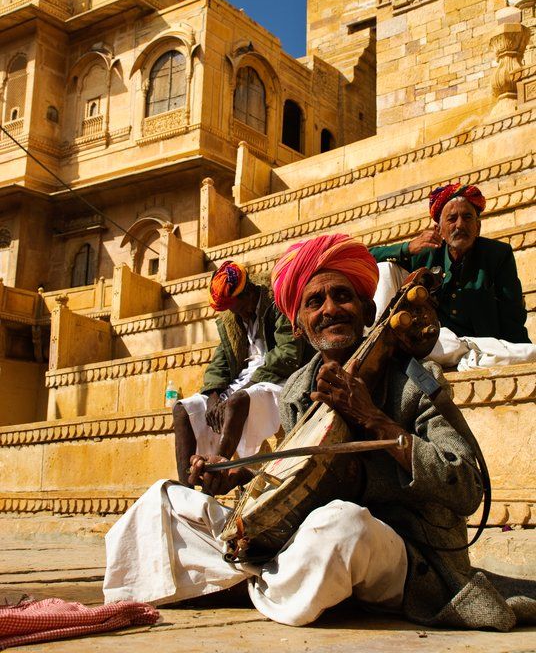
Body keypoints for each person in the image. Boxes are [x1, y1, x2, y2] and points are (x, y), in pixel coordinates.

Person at [103, 233, 536, 630]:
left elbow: (467, 487)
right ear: (297, 325)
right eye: (314, 302)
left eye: (342, 296)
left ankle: (246, 583)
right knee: (164, 500)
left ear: (367, 310)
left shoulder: (416, 379)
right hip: (304, 542)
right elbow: (302, 478)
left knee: (340, 525)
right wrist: (241, 475)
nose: (329, 309)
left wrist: (373, 418)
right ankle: (283, 583)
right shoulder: (296, 390)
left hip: (403, 554)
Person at [370, 183, 536, 369]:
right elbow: (366, 257)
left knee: (530, 354)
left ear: (478, 226)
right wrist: (407, 248)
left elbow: (511, 313)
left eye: (467, 217)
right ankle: (378, 342)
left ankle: (467, 355)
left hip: (483, 345)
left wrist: (520, 355)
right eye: (452, 218)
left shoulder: (497, 255)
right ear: (439, 229)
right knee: (386, 268)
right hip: (436, 342)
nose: (460, 225)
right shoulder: (425, 253)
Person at [172, 260, 310, 483]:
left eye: (241, 308)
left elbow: (289, 353)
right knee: (182, 410)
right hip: (241, 384)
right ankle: (186, 487)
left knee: (236, 400)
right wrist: (214, 397)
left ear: (249, 292)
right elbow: (219, 364)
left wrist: (242, 389)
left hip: (279, 379)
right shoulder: (232, 319)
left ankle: (217, 475)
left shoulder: (277, 302)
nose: (242, 315)